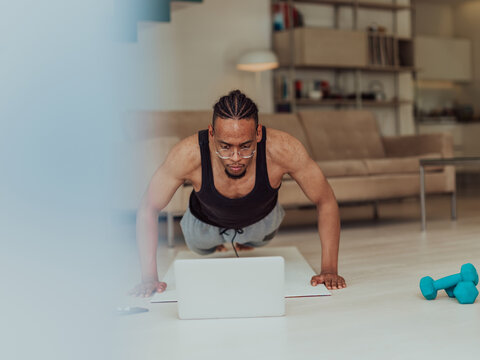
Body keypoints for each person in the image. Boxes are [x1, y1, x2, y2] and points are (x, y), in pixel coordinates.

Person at [129, 90, 346, 297]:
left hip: (261, 224)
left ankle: (244, 239)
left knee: (262, 235)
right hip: (203, 228)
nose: (235, 157)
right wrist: (148, 277)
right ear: (211, 134)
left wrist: (329, 268)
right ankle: (222, 240)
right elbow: (148, 207)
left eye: (245, 146)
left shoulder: (284, 149)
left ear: (258, 133)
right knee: (200, 248)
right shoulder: (188, 154)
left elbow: (325, 200)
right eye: (225, 146)